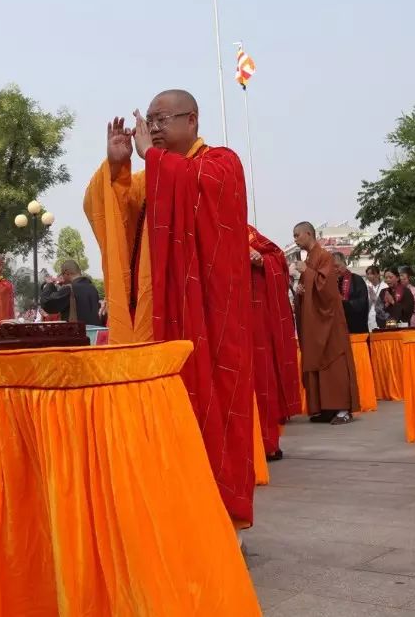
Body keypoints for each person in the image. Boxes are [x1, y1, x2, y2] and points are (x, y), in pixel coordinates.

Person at [84, 90, 254, 529]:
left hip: (206, 317)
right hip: (155, 318)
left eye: (162, 121)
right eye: (150, 121)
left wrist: (152, 159)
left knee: (212, 413)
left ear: (192, 120)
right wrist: (120, 167)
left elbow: (207, 196)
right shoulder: (149, 178)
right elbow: (113, 217)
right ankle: (165, 515)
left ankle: (220, 522)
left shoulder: (222, 162)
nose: (153, 129)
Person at [293, 223, 360, 425]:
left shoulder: (324, 256)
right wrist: (301, 290)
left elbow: (329, 288)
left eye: (297, 235)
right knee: (317, 360)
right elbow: (311, 286)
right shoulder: (311, 257)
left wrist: (308, 272)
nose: (295, 239)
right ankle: (325, 408)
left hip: (329, 320)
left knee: (335, 361)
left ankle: (342, 410)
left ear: (308, 234)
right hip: (316, 320)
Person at [249, 226, 301, 462]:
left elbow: (276, 257)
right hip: (225, 315)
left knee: (263, 378)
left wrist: (261, 262)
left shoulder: (247, 232)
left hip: (255, 319)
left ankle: (267, 442)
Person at [40, 260, 102, 326]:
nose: (62, 277)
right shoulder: (92, 288)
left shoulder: (69, 288)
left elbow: (47, 303)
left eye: (62, 274)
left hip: (77, 333)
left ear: (67, 273)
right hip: (93, 332)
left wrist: (50, 285)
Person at [332, 252, 370, 334]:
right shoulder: (330, 283)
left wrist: (344, 302)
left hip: (355, 326)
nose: (335, 269)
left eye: (337, 266)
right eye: (332, 267)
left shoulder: (356, 280)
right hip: (336, 328)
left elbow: (362, 303)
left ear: (345, 264)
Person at [364, 265, 385, 331]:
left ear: (378, 275)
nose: (369, 276)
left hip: (381, 316)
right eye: (368, 274)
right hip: (369, 317)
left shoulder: (384, 286)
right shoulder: (366, 286)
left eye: (372, 274)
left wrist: (375, 298)